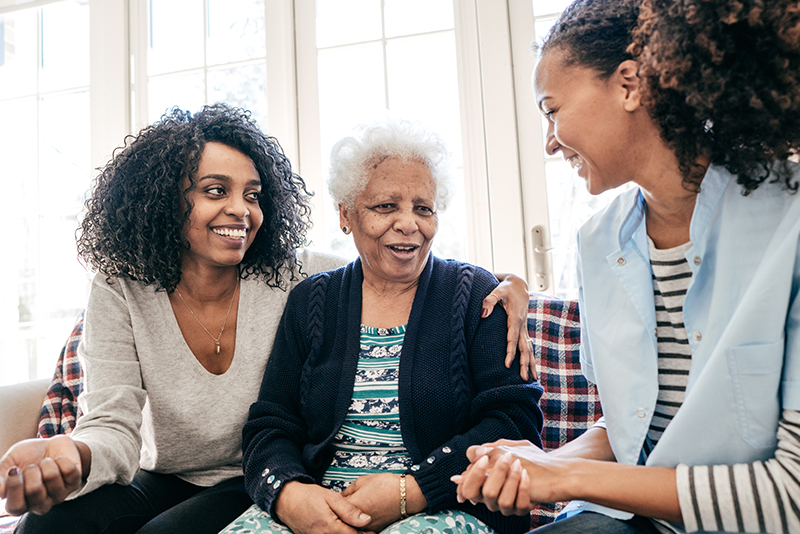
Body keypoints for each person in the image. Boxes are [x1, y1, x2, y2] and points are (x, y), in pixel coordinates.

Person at [0, 105, 530, 534]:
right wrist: (71, 451)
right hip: (173, 474)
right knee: (48, 526)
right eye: (216, 191)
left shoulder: (291, 276)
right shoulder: (122, 290)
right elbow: (114, 424)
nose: (242, 210)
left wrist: (514, 285)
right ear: (165, 200)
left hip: (244, 479)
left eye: (252, 195)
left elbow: (404, 270)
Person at [453, 0, 800, 533]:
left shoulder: (790, 224)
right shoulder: (598, 242)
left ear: (630, 85)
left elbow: (791, 497)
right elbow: (629, 428)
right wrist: (534, 463)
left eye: (552, 109)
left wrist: (564, 477)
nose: (549, 142)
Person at [219, 119, 544, 534]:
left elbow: (514, 422)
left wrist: (412, 490)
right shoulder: (312, 300)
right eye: (386, 206)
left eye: (423, 208)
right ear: (346, 215)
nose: (409, 223)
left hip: (444, 503)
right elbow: (272, 423)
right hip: (323, 503)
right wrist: (290, 494)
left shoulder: (477, 295)